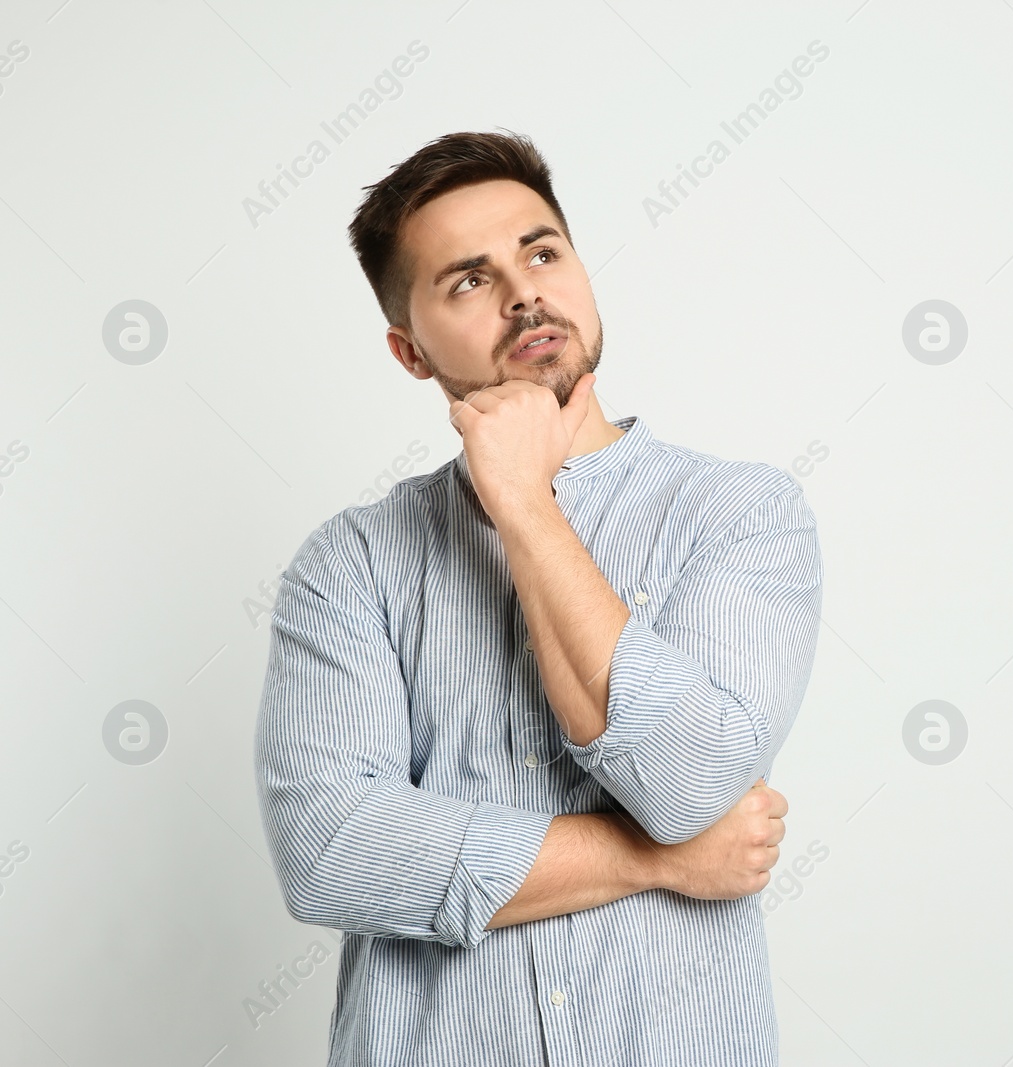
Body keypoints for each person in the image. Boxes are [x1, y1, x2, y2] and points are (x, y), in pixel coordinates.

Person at [253, 129, 824, 1066]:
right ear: (409, 351)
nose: (524, 291)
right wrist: (659, 860)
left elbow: (688, 784)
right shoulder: (350, 563)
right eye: (469, 280)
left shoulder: (740, 511)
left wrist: (523, 504)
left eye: (542, 251)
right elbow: (331, 850)